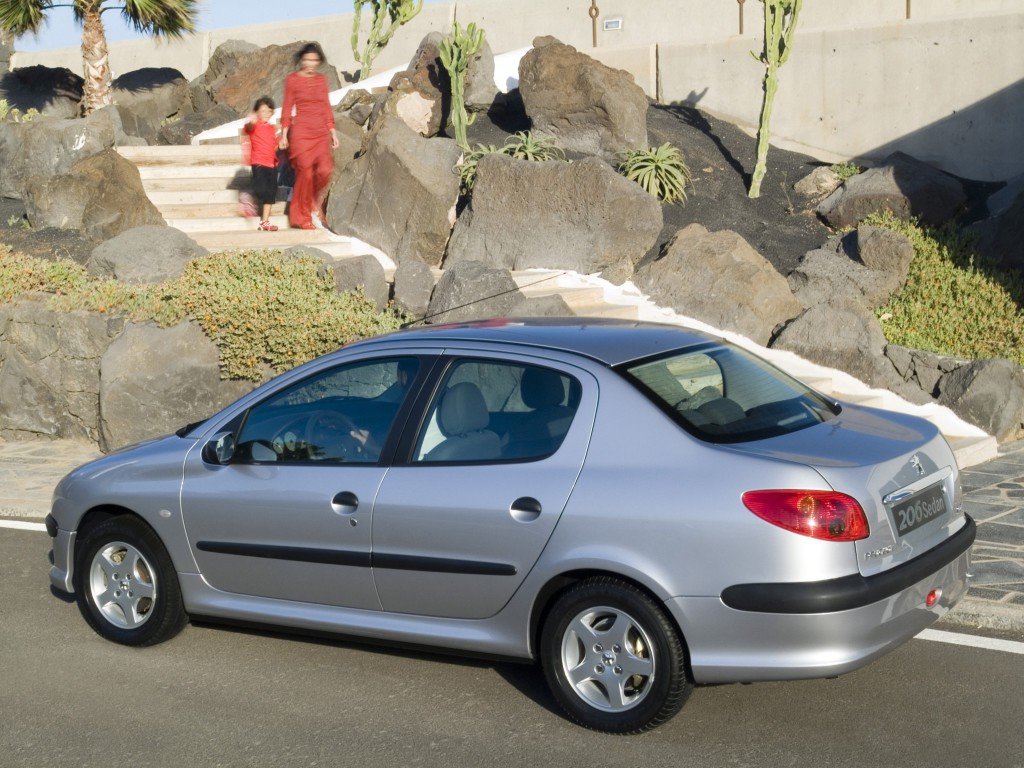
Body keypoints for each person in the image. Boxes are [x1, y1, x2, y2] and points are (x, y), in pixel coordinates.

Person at [279, 43, 339, 230]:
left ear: (319, 61)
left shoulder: (321, 80)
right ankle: (301, 216)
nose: (311, 64)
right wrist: (284, 135)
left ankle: (312, 199)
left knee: (325, 170)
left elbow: (326, 107)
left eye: (315, 60)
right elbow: (287, 108)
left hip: (320, 133)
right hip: (301, 134)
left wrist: (333, 132)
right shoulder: (292, 80)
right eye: (307, 60)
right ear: (301, 60)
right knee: (305, 173)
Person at [240, 96, 280, 231]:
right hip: (259, 163)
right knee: (261, 188)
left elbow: (275, 145)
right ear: (257, 112)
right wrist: (250, 119)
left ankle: (265, 222)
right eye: (263, 111)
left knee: (271, 193)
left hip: (272, 164)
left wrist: (281, 144)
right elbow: (246, 129)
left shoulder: (272, 129)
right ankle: (248, 196)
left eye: (269, 111)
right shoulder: (254, 125)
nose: (266, 114)